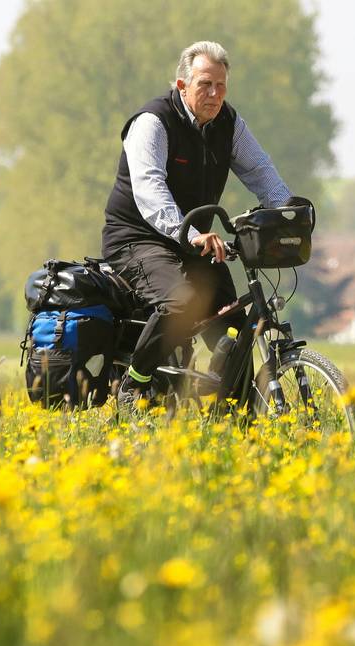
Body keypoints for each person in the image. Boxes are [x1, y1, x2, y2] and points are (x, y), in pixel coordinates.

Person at [102, 40, 296, 412]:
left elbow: (260, 171)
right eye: (205, 84)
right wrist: (190, 235)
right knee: (182, 302)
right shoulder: (153, 122)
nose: (214, 94)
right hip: (137, 239)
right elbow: (150, 190)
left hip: (194, 241)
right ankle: (134, 383)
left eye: (221, 85)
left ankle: (237, 419)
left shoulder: (228, 123)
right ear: (182, 86)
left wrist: (289, 211)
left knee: (236, 325)